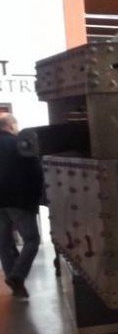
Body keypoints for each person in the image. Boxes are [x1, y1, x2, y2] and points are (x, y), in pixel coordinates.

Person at [0, 114, 43, 299]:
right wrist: (35, 199)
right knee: (32, 239)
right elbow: (35, 171)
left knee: (4, 244)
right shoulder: (19, 143)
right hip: (19, 200)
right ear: (10, 125)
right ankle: (17, 276)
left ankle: (15, 282)